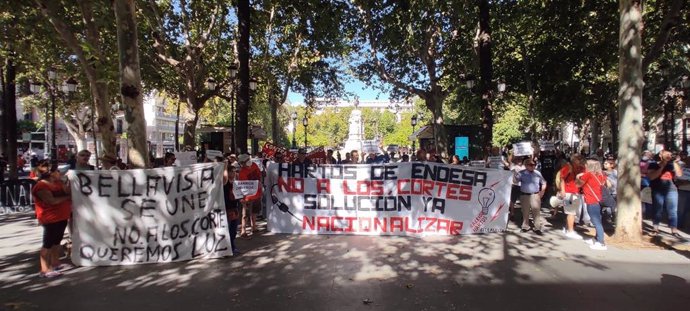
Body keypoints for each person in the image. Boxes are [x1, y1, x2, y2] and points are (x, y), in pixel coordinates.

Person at [31, 160, 72, 278]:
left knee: (56, 241)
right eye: (57, 171)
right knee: (47, 243)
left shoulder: (58, 183)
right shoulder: (41, 186)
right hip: (50, 218)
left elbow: (68, 191)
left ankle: (55, 263)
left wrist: (66, 182)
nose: (59, 172)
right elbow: (51, 201)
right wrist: (67, 197)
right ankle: (45, 269)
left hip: (61, 216)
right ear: (51, 173)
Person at [647, 150, 683, 238]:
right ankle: (655, 228)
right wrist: (663, 165)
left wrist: (674, 163)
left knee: (673, 211)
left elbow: (679, 174)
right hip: (657, 189)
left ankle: (674, 230)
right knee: (657, 210)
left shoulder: (672, 164)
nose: (669, 156)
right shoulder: (653, 164)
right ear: (660, 155)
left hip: (672, 190)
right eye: (667, 154)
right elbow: (652, 177)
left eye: (670, 154)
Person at [576, 158, 609, 250]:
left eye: (586, 165)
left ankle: (601, 242)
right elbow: (608, 185)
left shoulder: (588, 175)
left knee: (596, 222)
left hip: (592, 200)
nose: (584, 166)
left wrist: (578, 177)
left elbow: (578, 184)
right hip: (600, 200)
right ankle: (597, 238)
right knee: (598, 219)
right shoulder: (601, 175)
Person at [514, 158, 547, 235]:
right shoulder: (521, 173)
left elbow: (544, 182)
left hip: (535, 195)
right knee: (525, 212)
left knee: (536, 212)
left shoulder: (537, 173)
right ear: (526, 165)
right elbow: (515, 181)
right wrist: (513, 175)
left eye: (534, 164)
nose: (533, 166)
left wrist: (542, 191)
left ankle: (537, 228)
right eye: (531, 165)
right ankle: (525, 227)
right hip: (524, 195)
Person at [558, 154, 585, 240]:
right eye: (578, 159)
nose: (580, 160)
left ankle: (567, 228)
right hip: (569, 192)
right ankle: (570, 231)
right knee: (571, 212)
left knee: (574, 212)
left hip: (578, 192)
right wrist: (562, 190)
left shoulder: (581, 168)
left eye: (581, 159)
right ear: (573, 159)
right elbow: (562, 179)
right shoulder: (568, 167)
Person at [238, 154, 262, 237]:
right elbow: (243, 186)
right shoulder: (242, 172)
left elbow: (259, 175)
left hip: (257, 193)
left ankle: (253, 226)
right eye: (246, 160)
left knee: (255, 211)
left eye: (248, 159)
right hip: (247, 196)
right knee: (245, 214)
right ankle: (243, 230)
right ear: (242, 163)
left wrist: (260, 184)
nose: (248, 161)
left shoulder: (254, 165)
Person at [223, 161, 240, 253]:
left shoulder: (236, 183)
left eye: (235, 171)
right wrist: (225, 165)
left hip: (235, 208)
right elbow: (225, 180)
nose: (234, 173)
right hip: (227, 208)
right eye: (231, 171)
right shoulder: (224, 183)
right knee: (228, 229)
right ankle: (229, 248)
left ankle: (232, 246)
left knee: (233, 230)